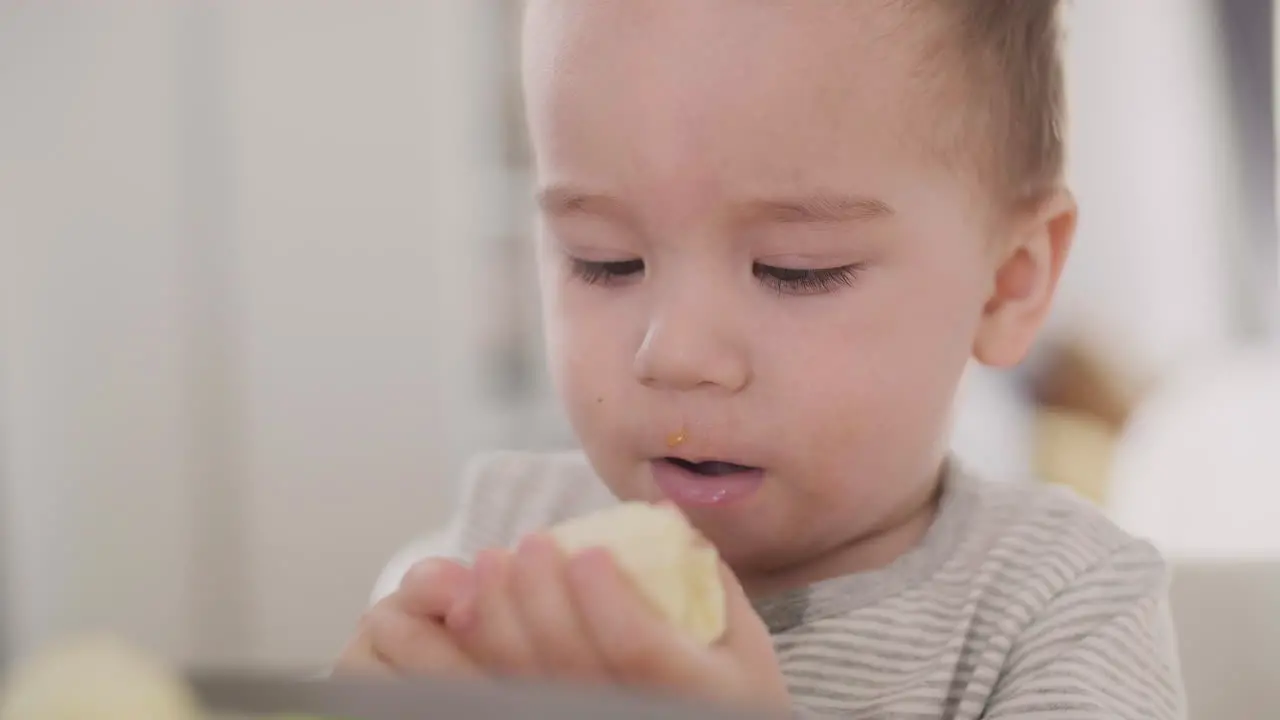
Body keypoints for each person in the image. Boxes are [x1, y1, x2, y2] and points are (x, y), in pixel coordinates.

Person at [337, 1, 1187, 717]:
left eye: (794, 270)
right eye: (603, 259)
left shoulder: (1060, 607)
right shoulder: (492, 548)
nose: (675, 354)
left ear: (1006, 284)